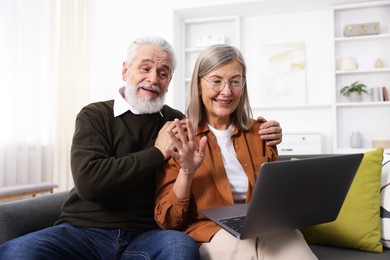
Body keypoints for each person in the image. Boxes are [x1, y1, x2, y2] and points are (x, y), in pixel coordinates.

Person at [0, 37, 282, 259]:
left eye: (163, 72)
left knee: (179, 250)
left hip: (148, 234)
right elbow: (89, 183)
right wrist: (157, 153)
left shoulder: (178, 122)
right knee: (16, 252)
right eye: (145, 68)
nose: (153, 78)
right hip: (82, 230)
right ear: (125, 70)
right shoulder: (95, 115)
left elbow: (218, 120)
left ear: (170, 81)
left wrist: (264, 131)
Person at [154, 44, 317, 259]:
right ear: (199, 85)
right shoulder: (180, 138)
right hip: (210, 231)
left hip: (264, 228)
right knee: (245, 249)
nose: (227, 91)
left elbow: (275, 198)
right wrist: (186, 171)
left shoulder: (261, 133)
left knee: (296, 250)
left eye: (235, 81)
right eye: (216, 81)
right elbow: (168, 221)